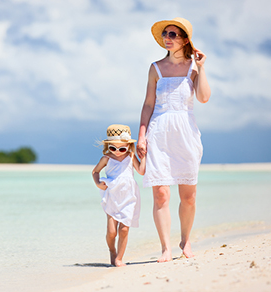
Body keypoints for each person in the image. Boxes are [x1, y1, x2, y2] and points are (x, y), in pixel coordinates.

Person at [136, 17, 211, 263]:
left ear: (185, 39)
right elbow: (148, 104)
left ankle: (185, 240)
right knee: (161, 194)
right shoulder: (155, 68)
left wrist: (201, 68)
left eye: (173, 34)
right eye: (165, 34)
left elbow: (203, 98)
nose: (167, 38)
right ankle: (166, 248)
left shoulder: (193, 67)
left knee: (188, 195)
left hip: (186, 132)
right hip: (158, 131)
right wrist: (141, 136)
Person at [92, 124, 146, 267]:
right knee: (111, 232)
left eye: (121, 148)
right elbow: (95, 172)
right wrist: (98, 183)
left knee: (124, 229)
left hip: (129, 197)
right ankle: (112, 250)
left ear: (128, 146)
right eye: (113, 148)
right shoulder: (107, 158)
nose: (117, 152)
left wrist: (144, 157)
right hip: (112, 196)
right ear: (108, 146)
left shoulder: (131, 156)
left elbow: (141, 171)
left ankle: (119, 258)